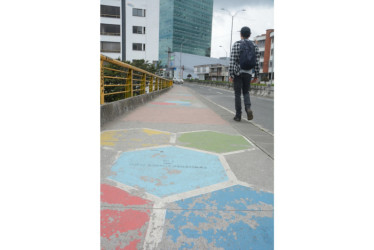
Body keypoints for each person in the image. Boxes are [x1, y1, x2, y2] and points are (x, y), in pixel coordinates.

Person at [229, 26, 260, 122]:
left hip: (238, 73)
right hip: (248, 73)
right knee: (246, 92)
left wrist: (231, 74)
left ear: (240, 34)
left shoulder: (236, 44)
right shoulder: (255, 46)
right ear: (250, 35)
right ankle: (248, 108)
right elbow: (257, 62)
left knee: (237, 94)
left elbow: (232, 61)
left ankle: (238, 116)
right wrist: (256, 75)